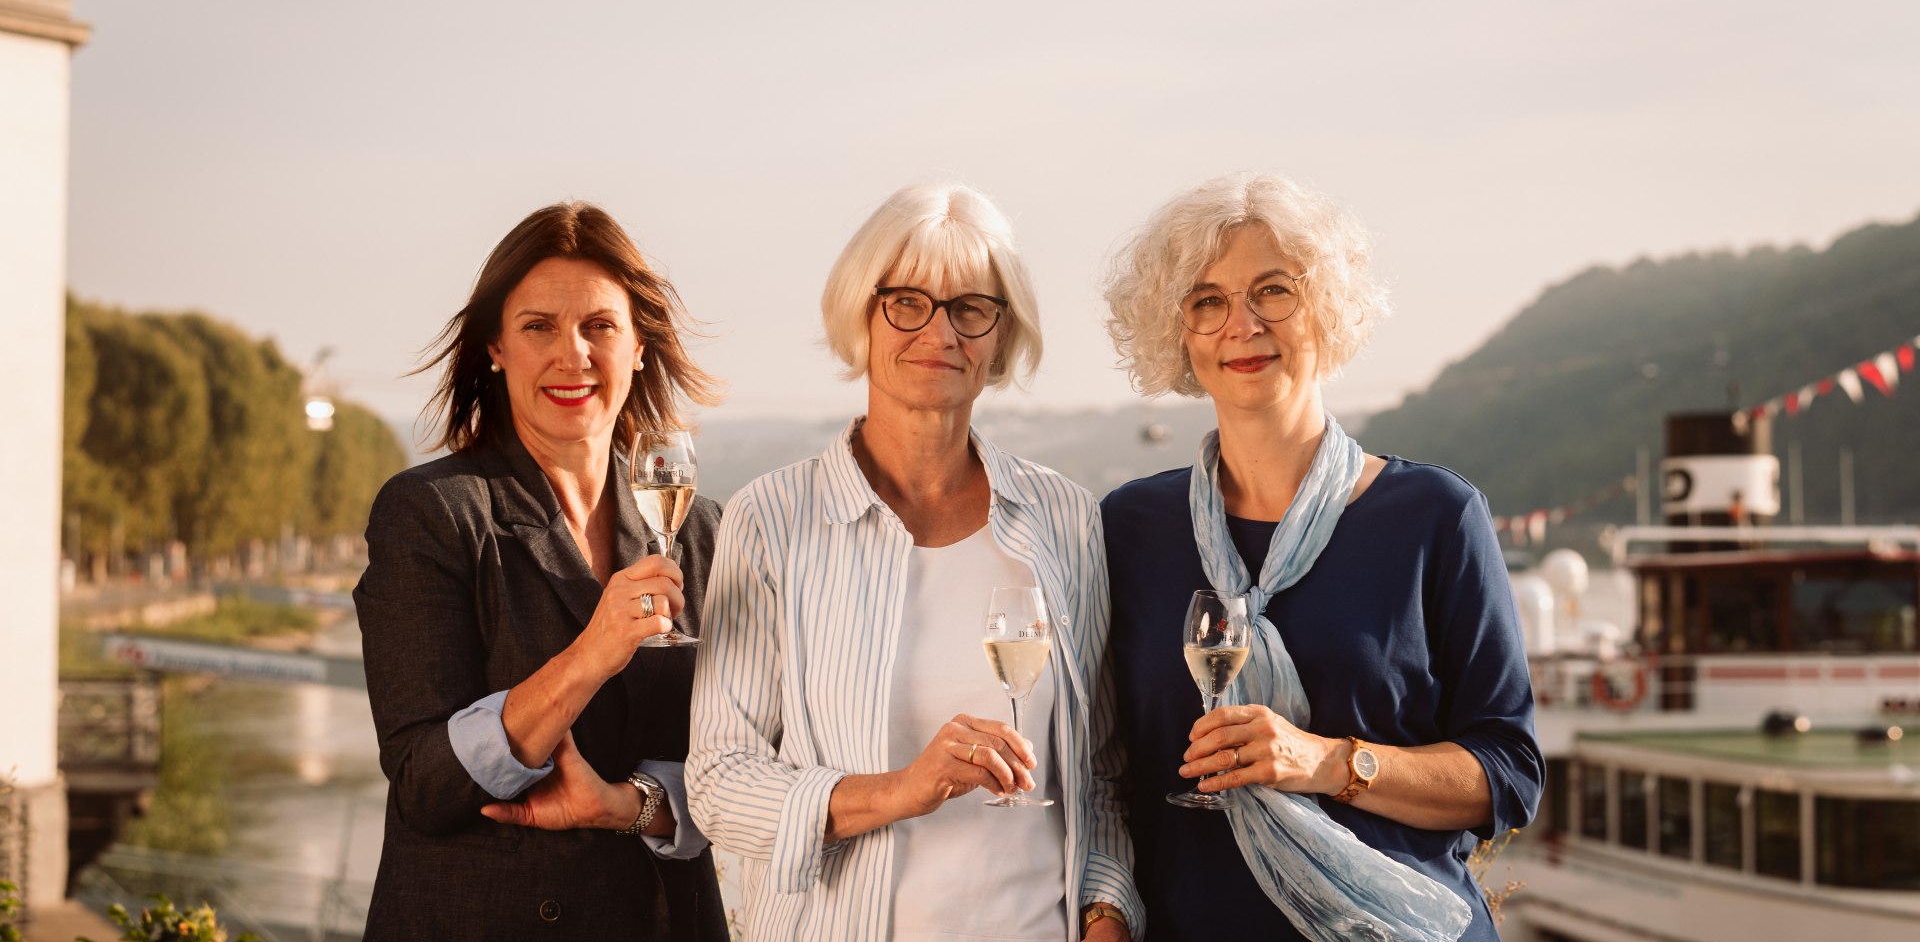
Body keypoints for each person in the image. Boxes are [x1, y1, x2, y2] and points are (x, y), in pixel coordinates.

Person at [686, 183, 1141, 941]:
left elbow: (1101, 776)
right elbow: (719, 783)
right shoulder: (769, 519)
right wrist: (901, 790)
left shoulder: (1065, 517)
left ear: (1000, 334)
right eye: (908, 301)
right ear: (862, 316)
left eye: (970, 307)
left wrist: (1106, 915)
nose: (941, 330)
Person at [1099, 173, 1543, 942]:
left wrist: (1332, 762)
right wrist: (1102, 914)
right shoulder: (1128, 528)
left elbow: (1507, 774)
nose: (1241, 324)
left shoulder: (1434, 516)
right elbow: (1101, 773)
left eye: (1272, 291)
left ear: (1326, 311)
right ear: (1178, 334)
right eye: (1208, 301)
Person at [352, 202, 728, 940]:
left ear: (640, 344)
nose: (573, 355)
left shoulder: (706, 532)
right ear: (495, 346)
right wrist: (590, 656)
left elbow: (738, 773)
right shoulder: (432, 514)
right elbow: (426, 782)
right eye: (539, 327)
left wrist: (631, 805)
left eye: (600, 326)